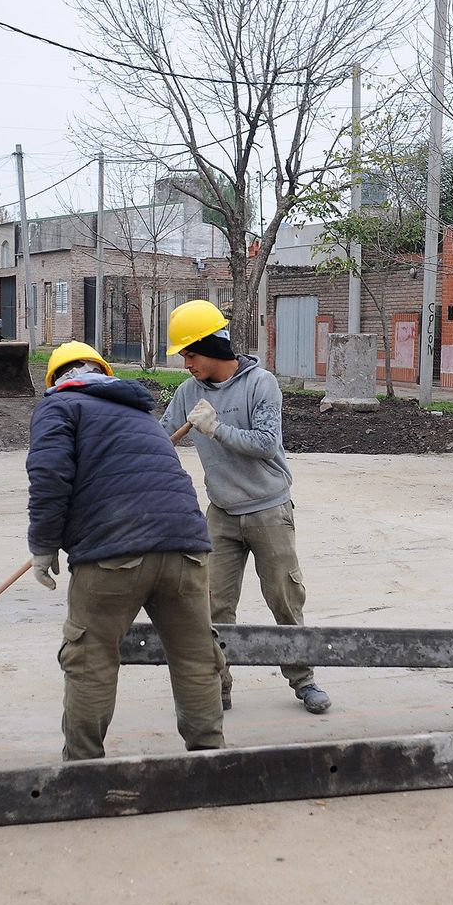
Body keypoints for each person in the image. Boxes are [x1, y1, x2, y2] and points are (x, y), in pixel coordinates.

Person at [26, 340, 226, 760]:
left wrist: (44, 546)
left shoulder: (59, 407)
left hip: (112, 552)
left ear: (58, 380)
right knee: (195, 658)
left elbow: (49, 476)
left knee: (92, 658)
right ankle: (211, 759)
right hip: (186, 547)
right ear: (103, 373)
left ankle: (84, 768)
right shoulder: (139, 413)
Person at [159, 299, 331, 715]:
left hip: (269, 509)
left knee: (284, 598)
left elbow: (265, 444)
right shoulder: (187, 393)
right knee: (213, 604)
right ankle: (219, 684)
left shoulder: (261, 384)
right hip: (221, 513)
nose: (186, 365)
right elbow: (160, 437)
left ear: (213, 347)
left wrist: (216, 428)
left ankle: (304, 680)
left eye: (190, 354)